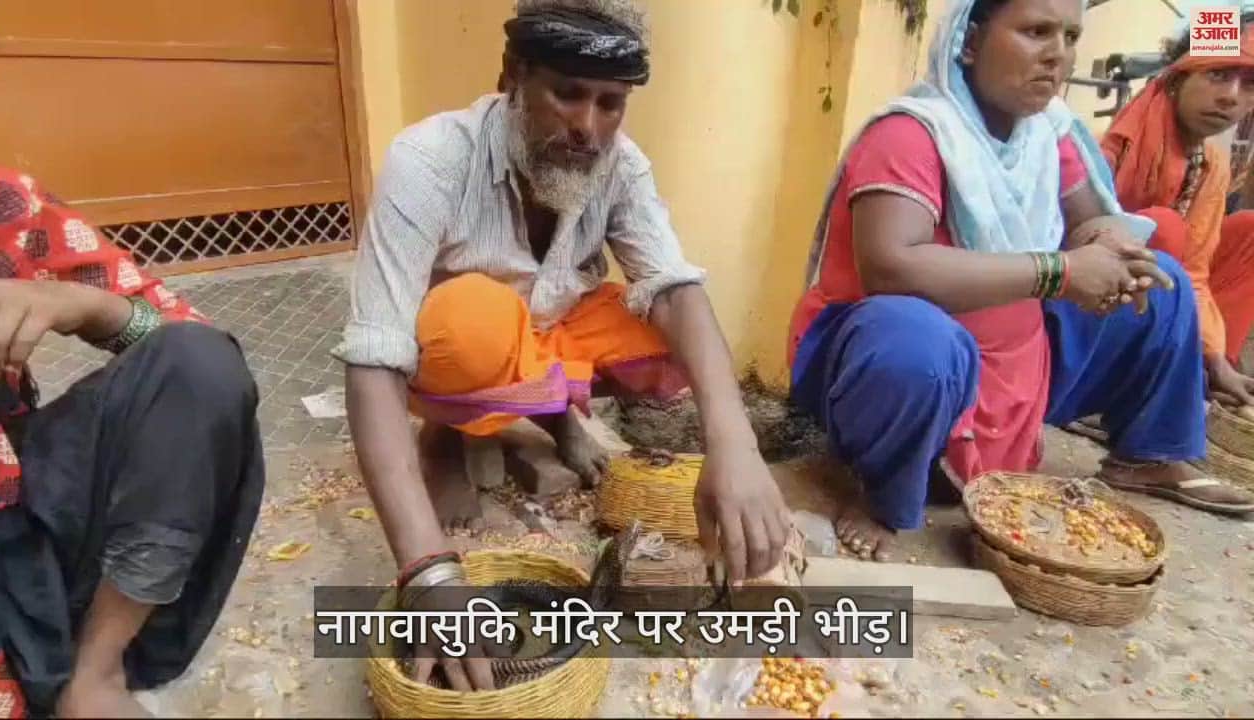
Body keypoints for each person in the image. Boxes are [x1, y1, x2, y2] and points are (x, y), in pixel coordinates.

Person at [335, 0, 790, 690]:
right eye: (567, 94)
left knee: (674, 330)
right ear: (512, 75)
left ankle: (556, 418)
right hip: (461, 346)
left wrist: (735, 445)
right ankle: (445, 437)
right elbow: (374, 356)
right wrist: (426, 569)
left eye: (611, 104)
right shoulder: (428, 159)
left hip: (550, 329)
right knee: (471, 321)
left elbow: (673, 288)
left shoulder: (620, 166)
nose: (588, 127)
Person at [786, 0, 1254, 563]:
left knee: (1162, 279)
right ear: (971, 41)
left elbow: (1088, 220)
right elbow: (893, 267)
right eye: (1036, 32)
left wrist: (1109, 247)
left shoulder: (1047, 135)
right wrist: (1059, 272)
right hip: (896, 365)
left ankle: (1147, 453)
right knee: (914, 342)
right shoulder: (913, 134)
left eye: (1070, 36)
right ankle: (879, 486)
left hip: (1013, 352)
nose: (1057, 54)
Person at [0, 15, 265, 718]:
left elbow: (198, 347)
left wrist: (79, 304)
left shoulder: (0, 205)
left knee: (198, 371)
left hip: (14, 500)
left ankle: (94, 674)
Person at [1098, 19, 1254, 404]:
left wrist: (1215, 355)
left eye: (1249, 85)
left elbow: (1196, 272)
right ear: (1176, 77)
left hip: (1176, 296)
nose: (1231, 97)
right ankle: (1137, 389)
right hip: (1099, 304)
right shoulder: (1114, 147)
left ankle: (1210, 377)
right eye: (1217, 75)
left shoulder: (1213, 164)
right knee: (1163, 227)